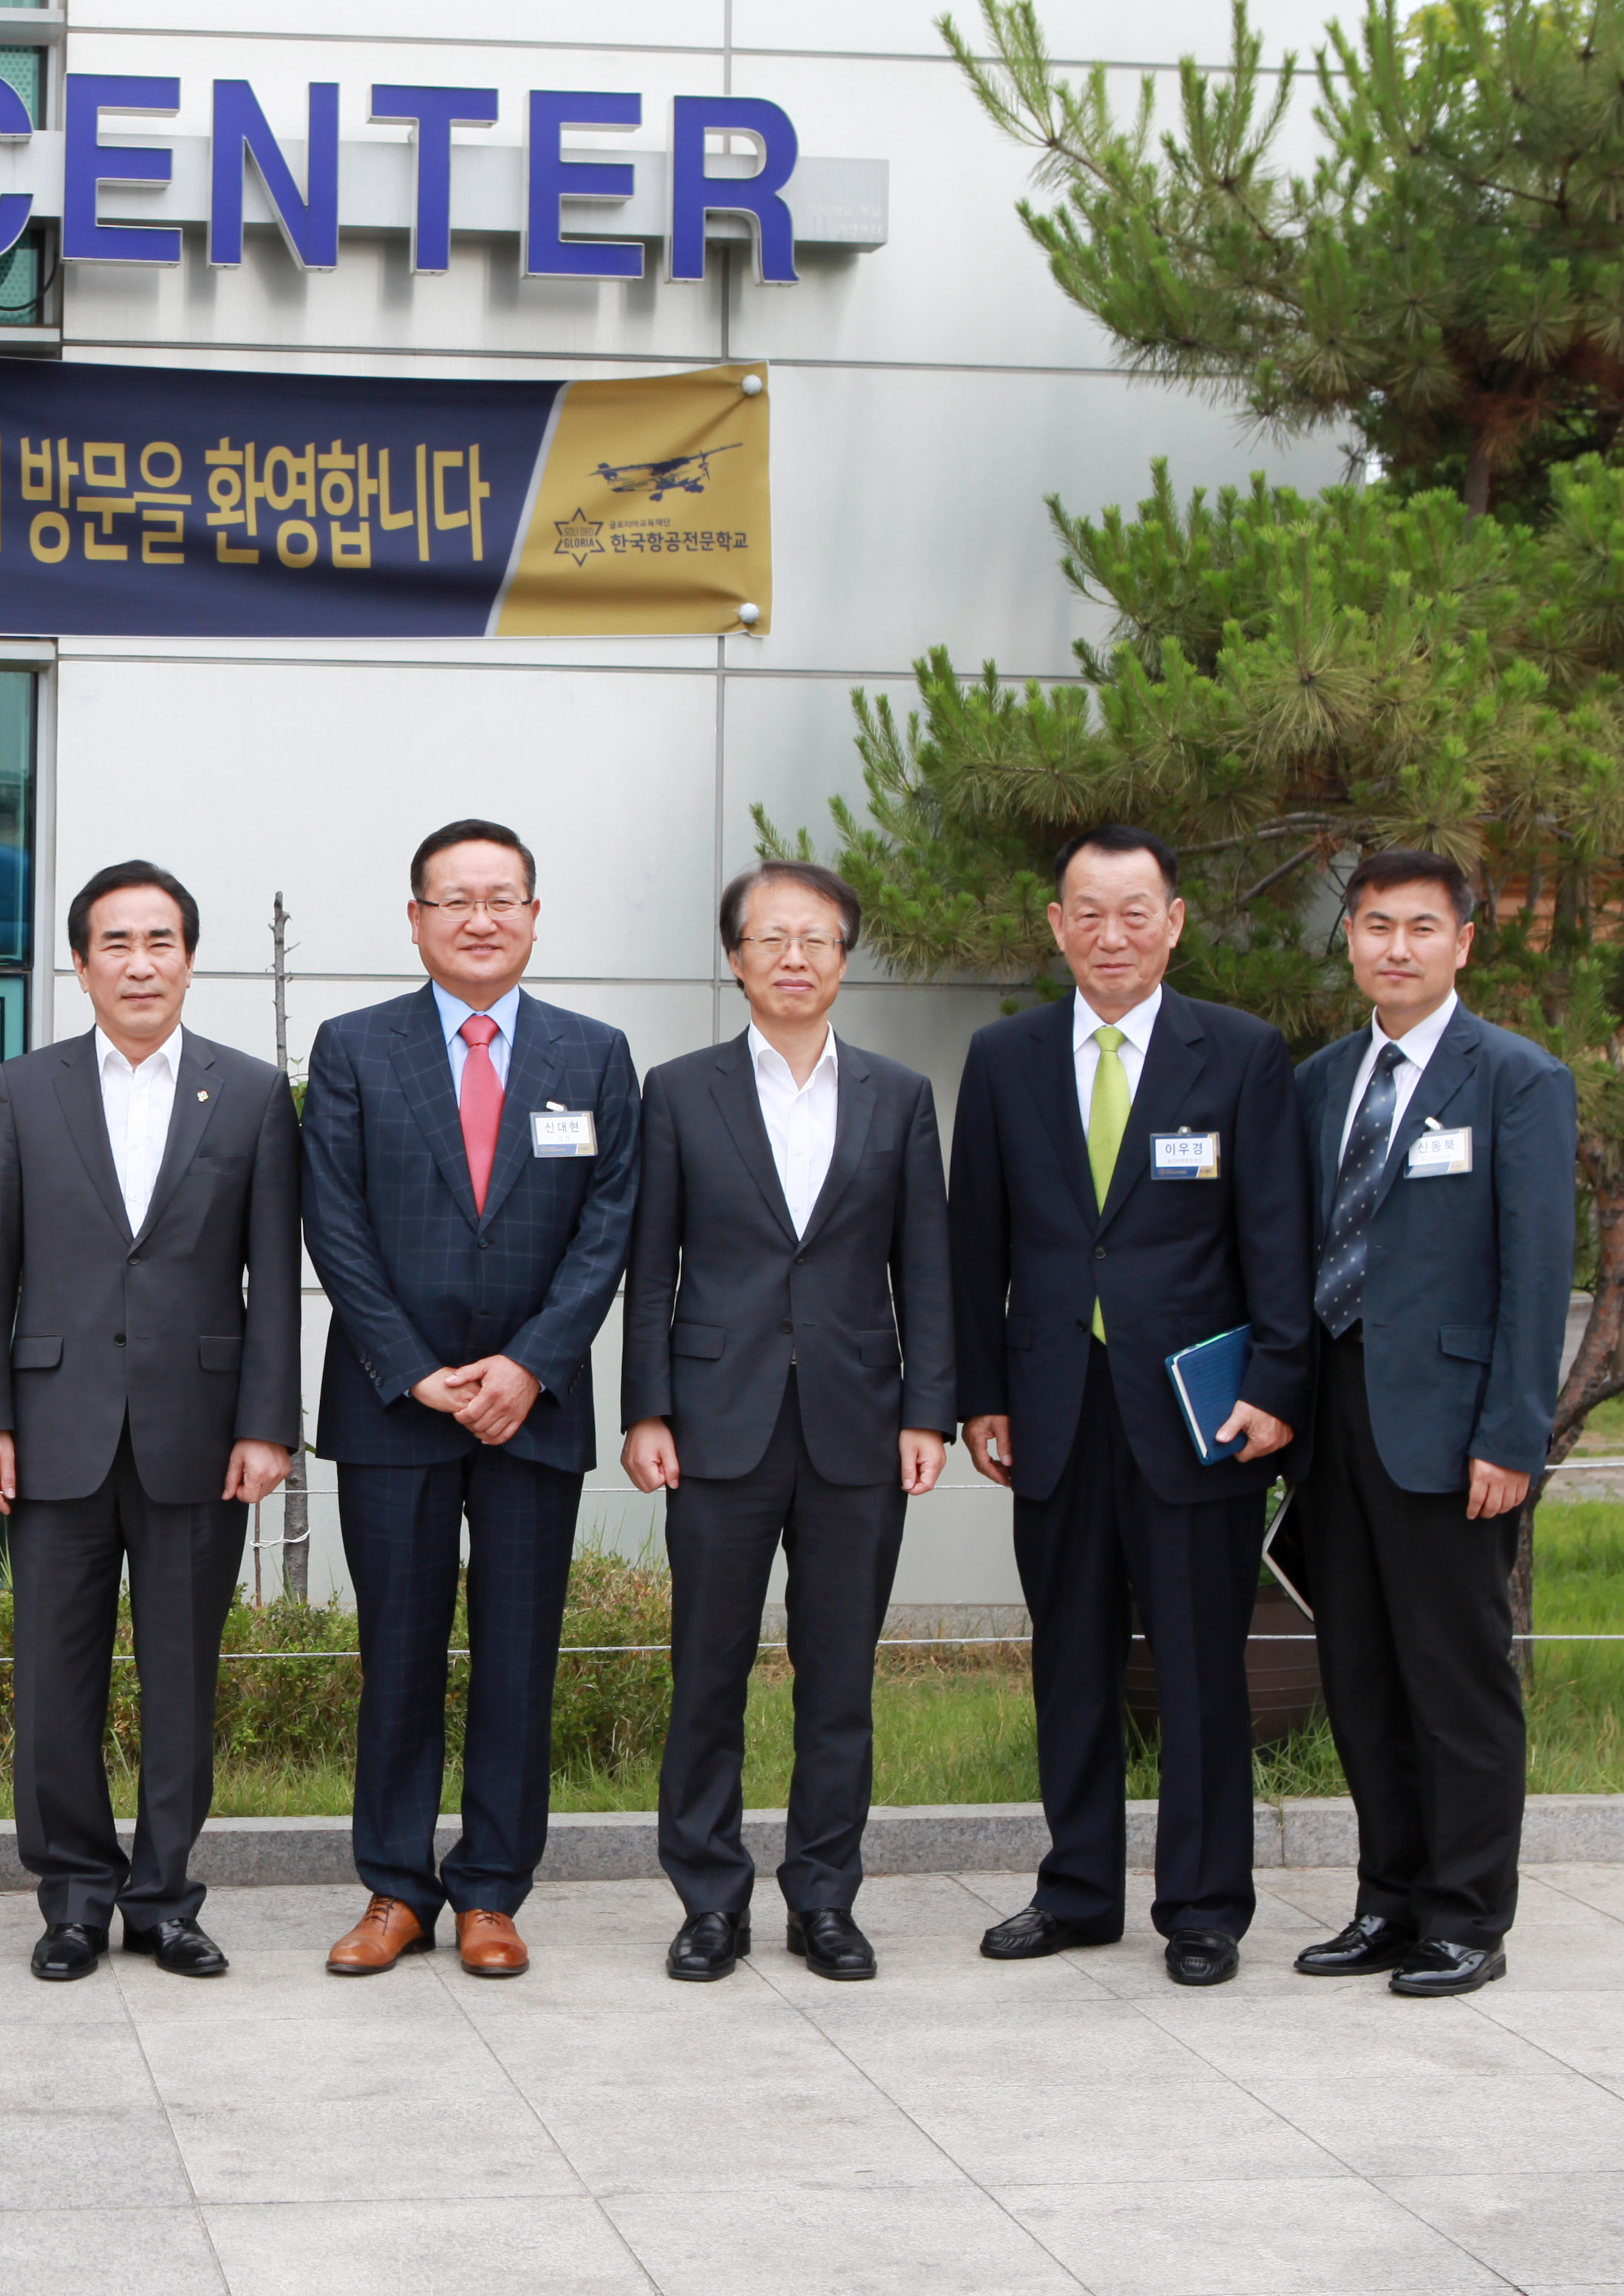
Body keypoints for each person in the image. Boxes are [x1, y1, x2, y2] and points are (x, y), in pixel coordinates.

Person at [949, 824, 1311, 1987]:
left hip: (1195, 1415)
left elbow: (1275, 1238)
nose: (1111, 935)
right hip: (1053, 1409)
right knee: (1071, 1659)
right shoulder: (1002, 1058)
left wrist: (1272, 1386)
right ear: (1055, 925)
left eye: (1134, 911)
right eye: (1086, 913)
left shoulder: (1242, 1054)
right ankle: (1077, 1890)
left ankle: (1202, 1907)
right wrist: (980, 1396)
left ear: (1174, 920)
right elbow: (974, 1246)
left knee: (1204, 1666)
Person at [305, 818, 641, 1981]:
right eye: (454, 899)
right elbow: (333, 1223)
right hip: (394, 1405)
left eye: (502, 897)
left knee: (515, 1654)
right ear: (415, 919)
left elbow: (609, 1225)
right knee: (395, 1651)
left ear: (535, 916)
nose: (480, 917)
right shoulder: (351, 1048)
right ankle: (393, 1888)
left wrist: (529, 1363)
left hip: (530, 1405)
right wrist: (411, 1365)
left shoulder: (596, 1055)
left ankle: (491, 1890)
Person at [0, 861, 300, 1984]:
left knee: (179, 1674)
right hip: (51, 1424)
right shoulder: (25, 1085)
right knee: (54, 1674)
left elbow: (270, 1276)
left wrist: (267, 1426)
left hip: (198, 1432)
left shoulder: (248, 1092)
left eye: (160, 940)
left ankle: (163, 1895)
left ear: (190, 958)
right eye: (116, 941)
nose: (139, 961)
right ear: (81, 960)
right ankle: (71, 1895)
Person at [621, 861, 955, 1986]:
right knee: (704, 1671)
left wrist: (928, 1410)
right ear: (735, 958)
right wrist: (646, 1407)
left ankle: (823, 1897)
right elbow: (649, 1268)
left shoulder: (897, 1096)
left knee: (838, 1678)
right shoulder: (678, 1089)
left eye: (816, 938)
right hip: (715, 1425)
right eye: (772, 938)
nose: (795, 957)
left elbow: (927, 1269)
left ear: (843, 958)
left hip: (859, 1428)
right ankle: (707, 1900)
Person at [1288, 849, 1574, 1997]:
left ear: (1463, 941)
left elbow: (1535, 1270)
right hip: (1333, 1416)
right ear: (1348, 939)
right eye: (1372, 924)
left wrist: (1512, 1433)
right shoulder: (1318, 1081)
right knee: (1357, 1669)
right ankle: (1386, 1899)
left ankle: (1465, 1915)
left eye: (1418, 925)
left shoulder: (1514, 1077)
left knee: (1455, 1678)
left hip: (1454, 1426)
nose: (1393, 946)